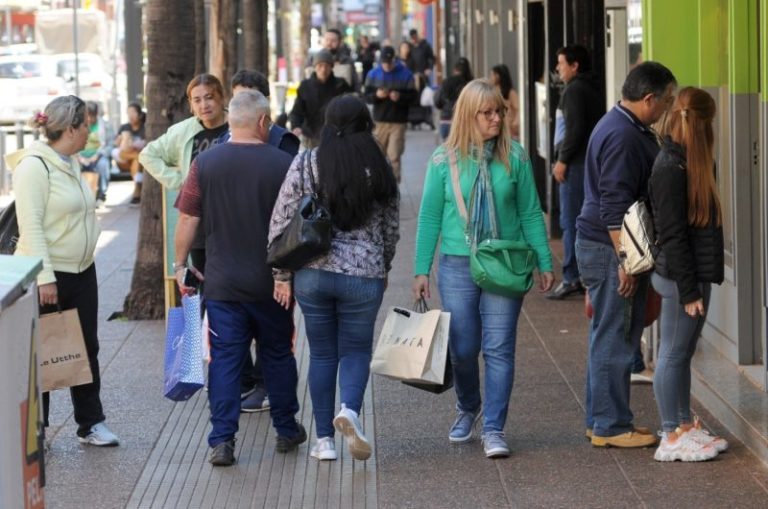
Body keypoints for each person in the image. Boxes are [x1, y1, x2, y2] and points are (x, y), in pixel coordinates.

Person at [412, 80, 554, 459]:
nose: (495, 118)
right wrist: (421, 269)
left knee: (499, 348)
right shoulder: (444, 161)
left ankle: (494, 427)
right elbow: (429, 217)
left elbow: (529, 212)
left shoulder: (516, 158)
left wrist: (544, 259)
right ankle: (467, 406)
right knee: (462, 348)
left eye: (499, 111)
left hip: (505, 261)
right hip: (458, 263)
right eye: (487, 112)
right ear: (468, 115)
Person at [174, 90, 305, 466]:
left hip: (223, 285)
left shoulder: (206, 164)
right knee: (278, 354)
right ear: (264, 122)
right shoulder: (284, 164)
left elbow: (187, 217)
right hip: (273, 285)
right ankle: (285, 429)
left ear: (231, 120)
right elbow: (300, 224)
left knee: (225, 362)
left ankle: (222, 441)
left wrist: (180, 264)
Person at [269, 95, 399, 461]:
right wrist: (384, 266)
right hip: (364, 275)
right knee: (356, 350)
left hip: (313, 274)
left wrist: (281, 274)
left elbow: (280, 222)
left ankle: (324, 440)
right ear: (366, 125)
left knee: (322, 354)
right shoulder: (378, 166)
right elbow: (390, 226)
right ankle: (351, 412)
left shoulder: (306, 163)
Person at [576, 61, 677, 448]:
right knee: (617, 337)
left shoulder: (621, 124)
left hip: (604, 245)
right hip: (609, 248)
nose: (667, 108)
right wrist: (626, 262)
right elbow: (614, 206)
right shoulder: (622, 135)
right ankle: (610, 425)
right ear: (649, 98)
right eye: (666, 101)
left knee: (608, 335)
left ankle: (600, 420)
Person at [9, 95, 119, 447]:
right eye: (86, 124)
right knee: (43, 351)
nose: (90, 129)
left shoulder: (69, 161)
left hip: (82, 269)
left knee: (85, 348)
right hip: (48, 274)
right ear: (71, 128)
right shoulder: (33, 167)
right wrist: (45, 279)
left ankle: (91, 424)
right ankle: (35, 430)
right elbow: (32, 227)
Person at [648, 87, 727, 462]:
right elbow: (674, 235)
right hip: (682, 277)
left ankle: (682, 424)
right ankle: (671, 434)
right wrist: (690, 291)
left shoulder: (685, 162)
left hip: (690, 274)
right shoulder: (670, 167)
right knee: (673, 353)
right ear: (701, 125)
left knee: (682, 352)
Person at [227, 69, 299, 414]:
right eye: (237, 97)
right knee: (238, 333)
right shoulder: (219, 149)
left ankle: (269, 392)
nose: (242, 104)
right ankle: (252, 390)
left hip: (275, 255)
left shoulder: (284, 145)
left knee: (274, 336)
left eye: (249, 97)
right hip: (235, 253)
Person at [139, 73, 229, 274]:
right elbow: (147, 155)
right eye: (197, 100)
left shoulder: (238, 125)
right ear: (190, 104)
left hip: (233, 221)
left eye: (209, 97)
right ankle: (198, 307)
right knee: (200, 284)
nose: (204, 105)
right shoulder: (183, 131)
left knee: (229, 284)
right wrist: (180, 182)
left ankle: (216, 306)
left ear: (222, 97)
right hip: (197, 225)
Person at [547, 45, 603, 300]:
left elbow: (574, 129)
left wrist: (562, 160)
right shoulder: (590, 87)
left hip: (575, 164)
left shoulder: (574, 90)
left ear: (574, 65)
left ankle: (571, 276)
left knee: (570, 221)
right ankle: (582, 274)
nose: (558, 68)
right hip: (586, 162)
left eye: (561, 63)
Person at [364, 45, 417, 183]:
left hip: (398, 122)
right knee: (377, 156)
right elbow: (366, 96)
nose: (386, 65)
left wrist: (399, 97)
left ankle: (393, 189)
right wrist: (376, 95)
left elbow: (414, 97)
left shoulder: (406, 74)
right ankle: (378, 187)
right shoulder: (373, 74)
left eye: (389, 62)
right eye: (384, 62)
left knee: (394, 156)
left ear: (394, 60)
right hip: (379, 122)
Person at [227, 69, 300, 156]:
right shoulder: (224, 139)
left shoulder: (283, 140)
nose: (243, 105)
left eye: (250, 99)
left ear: (265, 101)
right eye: (238, 100)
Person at [290, 50, 352, 148]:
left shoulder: (340, 85)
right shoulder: (305, 86)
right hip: (310, 136)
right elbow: (297, 111)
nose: (323, 69)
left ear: (332, 67)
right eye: (320, 65)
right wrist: (296, 126)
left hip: (335, 136)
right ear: (315, 67)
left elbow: (350, 108)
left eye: (327, 66)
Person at [112, 102, 146, 204]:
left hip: (137, 162)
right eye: (128, 113)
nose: (130, 115)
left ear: (139, 114)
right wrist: (122, 139)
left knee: (137, 160)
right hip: (124, 160)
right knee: (137, 157)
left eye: (133, 112)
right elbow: (118, 146)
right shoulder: (125, 127)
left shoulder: (145, 127)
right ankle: (137, 190)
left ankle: (137, 192)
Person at [78, 101, 111, 204]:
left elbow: (110, 144)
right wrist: (78, 156)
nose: (89, 119)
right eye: (87, 116)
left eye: (91, 116)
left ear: (96, 114)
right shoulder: (78, 126)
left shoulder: (106, 126)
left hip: (98, 155)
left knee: (103, 165)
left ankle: (101, 195)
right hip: (80, 156)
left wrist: (98, 155)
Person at [434, 57, 473, 140]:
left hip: (446, 121)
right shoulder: (471, 84)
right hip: (463, 122)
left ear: (455, 69)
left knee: (448, 150)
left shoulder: (446, 82)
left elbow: (437, 101)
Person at [489, 64, 520, 140]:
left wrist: (514, 124)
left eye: (492, 75)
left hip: (509, 132)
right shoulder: (491, 92)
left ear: (498, 76)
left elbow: (519, 109)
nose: (490, 78)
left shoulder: (510, 93)